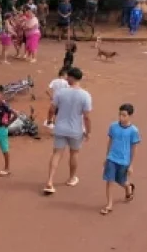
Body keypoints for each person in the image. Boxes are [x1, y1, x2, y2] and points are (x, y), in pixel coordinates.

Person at [43, 66, 91, 195]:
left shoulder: (60, 93)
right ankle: (71, 178)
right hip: (76, 130)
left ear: (71, 77)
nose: (66, 79)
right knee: (74, 154)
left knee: (57, 154)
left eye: (68, 77)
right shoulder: (85, 95)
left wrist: (49, 121)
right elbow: (86, 117)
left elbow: (52, 109)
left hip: (60, 128)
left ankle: (50, 181)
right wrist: (88, 132)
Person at [100, 103, 140, 215]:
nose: (121, 117)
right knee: (110, 181)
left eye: (124, 115)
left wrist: (131, 165)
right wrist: (107, 157)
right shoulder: (113, 127)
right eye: (120, 115)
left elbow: (134, 149)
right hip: (112, 158)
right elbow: (110, 142)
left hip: (124, 161)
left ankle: (128, 187)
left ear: (130, 116)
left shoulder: (134, 131)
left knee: (121, 181)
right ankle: (109, 204)